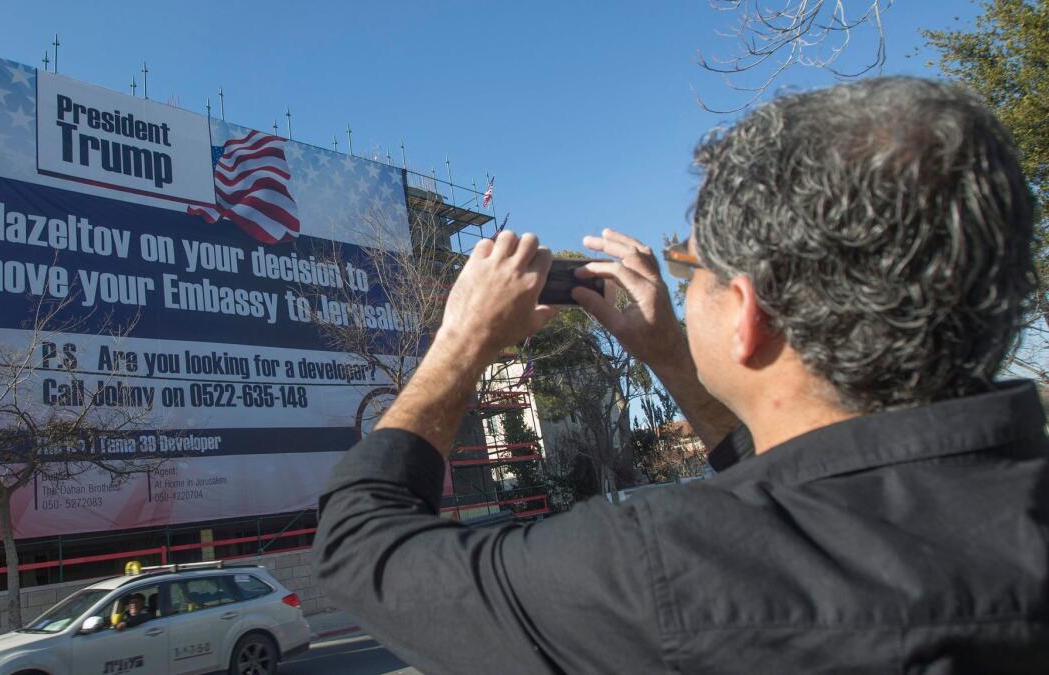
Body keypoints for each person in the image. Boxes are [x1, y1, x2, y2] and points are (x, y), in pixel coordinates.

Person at [312, 76, 1049, 673]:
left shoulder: (668, 566)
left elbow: (359, 548)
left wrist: (461, 340)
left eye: (692, 269)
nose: (679, 286)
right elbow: (825, 485)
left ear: (750, 314)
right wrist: (671, 354)